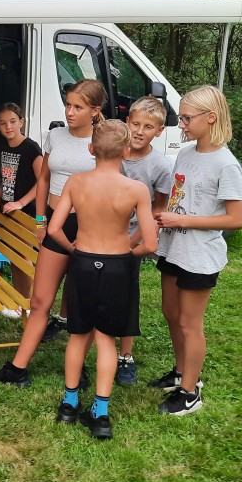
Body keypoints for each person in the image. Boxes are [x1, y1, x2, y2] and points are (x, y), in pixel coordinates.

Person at [0, 79, 107, 387]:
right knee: (39, 301)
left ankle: (78, 368)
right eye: (68, 105)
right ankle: (16, 370)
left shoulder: (103, 140)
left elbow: (109, 185)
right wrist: (40, 220)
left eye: (78, 107)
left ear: (95, 110)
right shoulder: (55, 135)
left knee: (80, 302)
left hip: (87, 227)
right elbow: (45, 179)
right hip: (52, 222)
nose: (70, 112)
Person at [48, 120, 158, 439]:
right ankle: (101, 412)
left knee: (78, 336)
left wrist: (74, 250)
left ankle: (69, 405)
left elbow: (54, 228)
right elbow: (150, 243)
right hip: (117, 266)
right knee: (106, 339)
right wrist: (128, 255)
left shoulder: (76, 183)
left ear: (91, 149)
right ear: (126, 151)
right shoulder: (136, 189)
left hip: (83, 261)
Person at [149, 85, 242, 416]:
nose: (181, 124)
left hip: (200, 256)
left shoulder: (226, 164)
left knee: (190, 324)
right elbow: (178, 197)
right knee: (171, 312)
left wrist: (182, 219)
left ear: (211, 117)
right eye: (181, 117)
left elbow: (236, 218)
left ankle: (190, 392)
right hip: (173, 248)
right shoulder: (186, 153)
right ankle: (181, 373)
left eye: (187, 118)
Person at [115, 95, 173, 385]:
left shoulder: (161, 166)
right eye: (135, 124)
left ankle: (125, 356)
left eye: (148, 127)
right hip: (100, 235)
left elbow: (158, 209)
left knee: (126, 296)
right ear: (127, 122)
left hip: (132, 240)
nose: (139, 131)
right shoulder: (113, 151)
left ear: (159, 131)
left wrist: (133, 242)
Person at [0, 102, 43, 315]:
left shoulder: (31, 148)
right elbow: (8, 176)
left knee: (23, 258)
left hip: (26, 212)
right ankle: (19, 302)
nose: (8, 127)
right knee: (14, 257)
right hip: (9, 209)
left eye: (12, 121)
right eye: (3, 123)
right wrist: (0, 192)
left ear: (21, 122)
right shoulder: (2, 145)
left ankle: (29, 305)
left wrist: (21, 203)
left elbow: (43, 182)